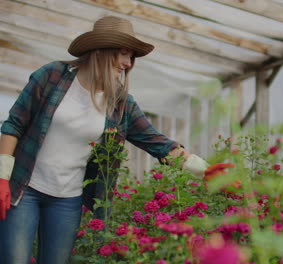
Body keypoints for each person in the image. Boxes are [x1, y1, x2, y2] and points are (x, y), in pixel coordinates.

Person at [0, 16, 209, 264]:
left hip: (67, 200)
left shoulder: (121, 104)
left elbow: (160, 144)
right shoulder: (53, 76)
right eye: (122, 54)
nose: (127, 63)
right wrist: (2, 177)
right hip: (24, 189)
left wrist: (209, 171)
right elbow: (15, 124)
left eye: (131, 57)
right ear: (100, 50)